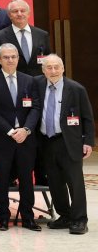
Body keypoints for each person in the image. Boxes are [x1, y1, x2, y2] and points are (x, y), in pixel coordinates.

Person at [0, 43, 42, 231]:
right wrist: (10, 131)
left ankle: (28, 217)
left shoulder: (29, 80)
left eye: (13, 56)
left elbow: (35, 108)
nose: (10, 60)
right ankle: (3, 217)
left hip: (26, 138)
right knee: (2, 179)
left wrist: (26, 130)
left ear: (18, 58)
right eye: (6, 57)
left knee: (26, 179)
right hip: (2, 138)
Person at [36, 54, 92, 235]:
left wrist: (88, 142)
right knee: (55, 182)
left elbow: (87, 118)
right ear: (43, 70)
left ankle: (79, 219)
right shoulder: (36, 85)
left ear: (63, 68)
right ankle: (65, 216)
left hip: (69, 142)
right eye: (49, 68)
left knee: (74, 182)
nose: (53, 71)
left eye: (56, 67)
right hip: (46, 141)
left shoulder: (76, 89)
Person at [0, 0, 50, 77]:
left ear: (28, 14)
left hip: (39, 81)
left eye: (23, 11)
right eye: (15, 11)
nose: (19, 14)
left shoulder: (42, 34)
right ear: (10, 15)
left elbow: (48, 60)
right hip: (14, 82)